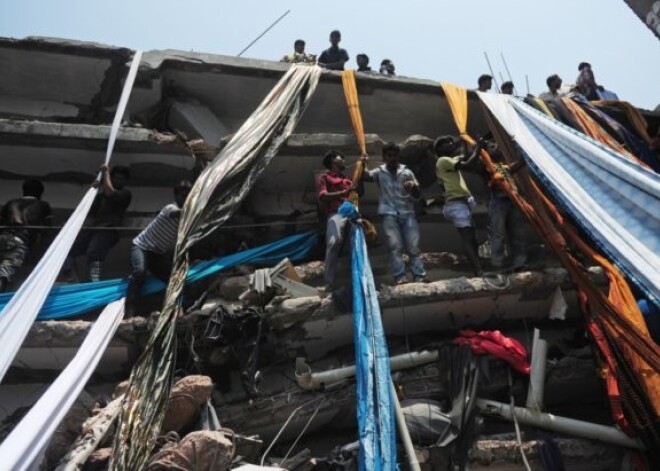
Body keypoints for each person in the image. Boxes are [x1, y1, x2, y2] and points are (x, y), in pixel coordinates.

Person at [124, 180, 192, 316]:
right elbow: (178, 213)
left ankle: (177, 309)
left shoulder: (187, 220)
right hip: (141, 247)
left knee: (175, 280)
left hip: (157, 254)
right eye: (182, 195)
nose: (185, 198)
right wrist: (198, 207)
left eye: (188, 195)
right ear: (176, 196)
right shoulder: (170, 208)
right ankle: (129, 310)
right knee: (140, 273)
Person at [363, 142, 427, 284]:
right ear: (384, 157)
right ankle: (400, 277)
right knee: (394, 247)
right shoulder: (379, 171)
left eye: (395, 155)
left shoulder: (407, 172)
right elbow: (365, 176)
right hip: (388, 213)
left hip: (408, 212)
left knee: (413, 247)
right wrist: (363, 162)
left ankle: (419, 275)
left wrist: (413, 188)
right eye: (389, 155)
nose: (393, 158)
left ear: (399, 156)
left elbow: (417, 195)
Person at [460, 140, 527, 272]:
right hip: (497, 203)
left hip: (513, 201)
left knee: (517, 234)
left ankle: (519, 263)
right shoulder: (484, 166)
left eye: (497, 145)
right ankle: (498, 264)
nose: (496, 147)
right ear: (486, 151)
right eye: (492, 146)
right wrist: (477, 147)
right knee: (498, 234)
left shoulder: (504, 167)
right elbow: (470, 163)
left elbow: (520, 162)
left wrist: (519, 143)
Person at [64, 164, 131, 282]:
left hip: (108, 230)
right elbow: (88, 210)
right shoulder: (101, 196)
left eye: (122, 179)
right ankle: (71, 278)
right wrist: (93, 190)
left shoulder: (125, 194)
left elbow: (111, 193)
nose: (119, 181)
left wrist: (105, 174)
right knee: (68, 250)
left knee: (94, 252)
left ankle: (94, 281)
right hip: (93, 230)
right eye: (116, 178)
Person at [316, 150, 365, 290]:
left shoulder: (347, 180)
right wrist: (344, 193)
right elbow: (323, 196)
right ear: (332, 160)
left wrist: (361, 168)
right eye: (341, 158)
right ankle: (328, 282)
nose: (343, 160)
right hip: (336, 212)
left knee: (357, 245)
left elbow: (360, 193)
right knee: (334, 241)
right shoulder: (324, 177)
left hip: (351, 213)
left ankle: (359, 280)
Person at [434, 136, 483, 276]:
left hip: (461, 203)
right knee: (468, 238)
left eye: (451, 142)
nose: (450, 144)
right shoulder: (442, 160)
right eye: (446, 143)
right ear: (439, 150)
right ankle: (478, 270)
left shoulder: (450, 160)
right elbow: (468, 164)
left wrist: (463, 142)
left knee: (472, 238)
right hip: (456, 204)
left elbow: (465, 156)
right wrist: (479, 146)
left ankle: (478, 267)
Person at [0, 180, 52, 291]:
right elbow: (48, 229)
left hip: (3, 239)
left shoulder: (10, 203)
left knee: (5, 269)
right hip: (19, 241)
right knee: (5, 273)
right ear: (40, 193)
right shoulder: (43, 205)